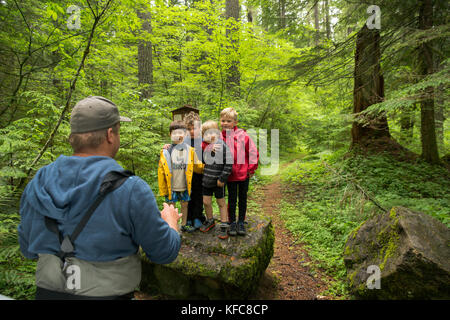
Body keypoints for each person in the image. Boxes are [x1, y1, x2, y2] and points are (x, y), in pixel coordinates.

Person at [18, 96, 182, 300]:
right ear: (110, 135)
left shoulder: (38, 183)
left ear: (73, 137)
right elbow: (163, 252)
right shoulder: (131, 189)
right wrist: (171, 223)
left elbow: (28, 249)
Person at [158, 120, 204, 233]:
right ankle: (172, 226)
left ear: (185, 134)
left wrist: (210, 168)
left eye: (180, 133)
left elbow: (198, 165)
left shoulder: (190, 151)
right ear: (170, 135)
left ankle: (183, 224)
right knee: (171, 207)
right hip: (171, 186)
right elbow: (161, 172)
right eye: (174, 133)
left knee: (185, 205)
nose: (178, 135)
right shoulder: (166, 151)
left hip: (184, 185)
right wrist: (163, 189)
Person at [220, 107, 259, 236]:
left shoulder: (243, 136)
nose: (225, 123)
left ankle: (241, 221)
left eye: (229, 121)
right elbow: (205, 146)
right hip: (229, 175)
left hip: (243, 174)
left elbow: (253, 153)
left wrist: (250, 169)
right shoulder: (219, 137)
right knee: (231, 199)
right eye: (223, 120)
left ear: (235, 123)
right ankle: (232, 222)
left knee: (242, 198)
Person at [199, 120, 233, 239]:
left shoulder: (222, 146)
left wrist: (222, 178)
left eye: (211, 133)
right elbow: (203, 161)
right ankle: (210, 220)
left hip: (218, 182)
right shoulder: (206, 147)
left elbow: (229, 163)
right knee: (206, 202)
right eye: (205, 134)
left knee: (221, 203)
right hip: (207, 180)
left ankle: (224, 225)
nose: (209, 136)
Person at [183, 112, 206, 230]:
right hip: (187, 174)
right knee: (188, 195)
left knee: (199, 194)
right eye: (189, 129)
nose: (192, 131)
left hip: (200, 173)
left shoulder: (203, 141)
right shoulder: (183, 141)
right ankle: (188, 218)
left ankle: (197, 216)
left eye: (195, 128)